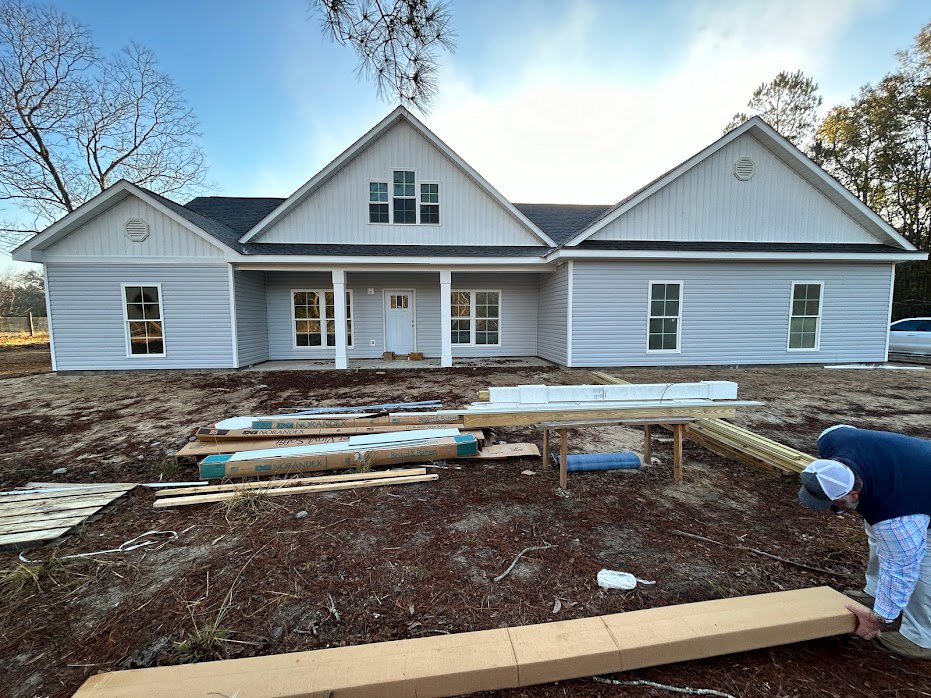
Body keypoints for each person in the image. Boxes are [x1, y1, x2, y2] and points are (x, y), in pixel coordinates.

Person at [798, 424, 931, 659]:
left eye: (835, 502)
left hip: (919, 494)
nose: (833, 509)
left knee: (922, 565)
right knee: (878, 536)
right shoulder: (832, 440)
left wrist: (879, 618)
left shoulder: (895, 518)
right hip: (912, 473)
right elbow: (838, 428)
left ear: (854, 494)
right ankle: (876, 591)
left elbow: (902, 567)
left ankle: (921, 637)